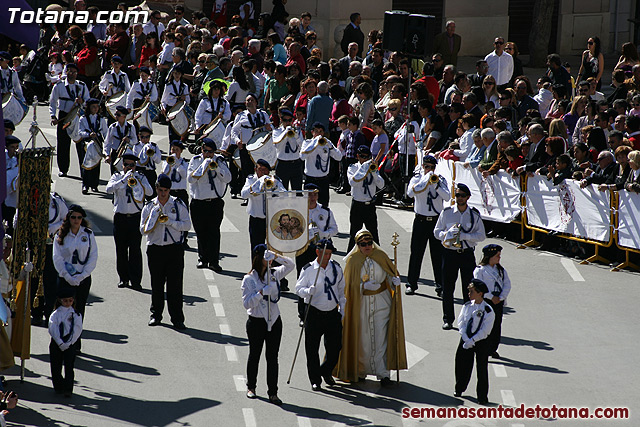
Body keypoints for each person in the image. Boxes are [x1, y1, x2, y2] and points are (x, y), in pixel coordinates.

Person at [334, 229, 407, 386]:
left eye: (369, 243)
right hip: (361, 304)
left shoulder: (381, 256)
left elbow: (390, 273)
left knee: (381, 338)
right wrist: (362, 286)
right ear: (358, 245)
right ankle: (360, 371)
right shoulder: (352, 261)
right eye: (363, 244)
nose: (367, 247)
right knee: (363, 340)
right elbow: (347, 286)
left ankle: (383, 374)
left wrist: (395, 281)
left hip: (382, 302)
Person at [242, 244, 295, 405]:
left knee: (272, 358)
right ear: (258, 258)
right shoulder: (249, 279)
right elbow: (246, 304)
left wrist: (276, 256)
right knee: (255, 356)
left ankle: (273, 392)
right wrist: (260, 293)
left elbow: (291, 265)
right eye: (265, 257)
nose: (267, 260)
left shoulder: (273, 274)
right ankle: (251, 387)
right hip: (256, 322)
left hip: (274, 321)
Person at [140, 174, 192, 329]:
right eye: (160, 190)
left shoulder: (177, 204)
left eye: (166, 190)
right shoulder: (149, 206)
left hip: (173, 249)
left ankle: (177, 318)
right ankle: (156, 315)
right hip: (155, 249)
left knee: (175, 286)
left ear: (170, 190)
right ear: (156, 188)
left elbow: (187, 225)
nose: (163, 193)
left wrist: (170, 222)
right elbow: (142, 230)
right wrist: (153, 220)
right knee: (156, 285)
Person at [295, 239, 346, 390]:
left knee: (335, 347)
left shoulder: (336, 268)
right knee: (312, 349)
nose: (328, 257)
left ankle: (325, 370)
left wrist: (342, 308)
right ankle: (315, 379)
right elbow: (298, 288)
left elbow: (341, 289)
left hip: (331, 312)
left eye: (330, 254)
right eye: (325, 253)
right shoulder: (309, 269)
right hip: (314, 312)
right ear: (318, 252)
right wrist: (307, 291)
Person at [434, 183, 486, 330]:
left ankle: (467, 319)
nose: (459, 198)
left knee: (468, 289)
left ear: (468, 197)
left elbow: (481, 235)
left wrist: (464, 236)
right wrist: (446, 235)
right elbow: (436, 232)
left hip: (466, 254)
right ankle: (448, 319)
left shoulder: (474, 215)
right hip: (449, 253)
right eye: (457, 195)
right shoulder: (447, 212)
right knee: (448, 288)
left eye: (462, 195)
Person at [52, 204, 98, 352]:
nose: (76, 220)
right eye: (73, 217)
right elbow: (57, 258)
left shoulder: (88, 234)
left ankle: (75, 342)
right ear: (68, 218)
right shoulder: (61, 234)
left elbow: (93, 256)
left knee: (78, 310)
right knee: (62, 309)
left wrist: (82, 275)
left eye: (79, 217)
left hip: (82, 278)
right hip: (66, 278)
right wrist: (67, 276)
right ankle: (60, 340)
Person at [106, 153, 152, 290]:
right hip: (120, 218)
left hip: (135, 218)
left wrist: (138, 182)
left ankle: (136, 280)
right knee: (121, 250)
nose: (128, 167)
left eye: (131, 165)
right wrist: (122, 181)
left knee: (135, 250)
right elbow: (108, 189)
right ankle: (123, 279)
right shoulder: (117, 176)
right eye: (126, 165)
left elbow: (149, 193)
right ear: (123, 165)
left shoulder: (141, 177)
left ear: (135, 166)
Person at [405, 155, 450, 296]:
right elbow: (410, 193)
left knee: (438, 255)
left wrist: (435, 185)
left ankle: (441, 287)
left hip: (436, 221)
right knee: (416, 254)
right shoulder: (417, 178)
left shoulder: (440, 180)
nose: (428, 169)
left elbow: (447, 197)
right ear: (423, 166)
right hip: (421, 221)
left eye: (431, 167)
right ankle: (411, 284)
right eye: (426, 167)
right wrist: (425, 180)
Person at [188, 138, 231, 272]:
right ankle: (202, 258)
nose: (208, 154)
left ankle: (214, 261)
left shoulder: (220, 161)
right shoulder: (195, 161)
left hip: (214, 203)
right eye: (206, 151)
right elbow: (190, 179)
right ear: (202, 150)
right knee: (201, 232)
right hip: (198, 203)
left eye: (211, 152)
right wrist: (203, 166)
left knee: (213, 232)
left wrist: (216, 168)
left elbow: (228, 178)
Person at [454, 279, 495, 405]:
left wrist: (473, 340)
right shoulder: (467, 306)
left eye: (472, 291)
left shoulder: (488, 310)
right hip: (466, 337)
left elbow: (485, 331)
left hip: (481, 341)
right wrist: (466, 338)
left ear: (480, 293)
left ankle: (482, 396)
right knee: (461, 363)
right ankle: (459, 388)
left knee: (481, 368)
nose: (469, 293)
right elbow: (461, 322)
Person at [49, 63, 90, 177]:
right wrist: (53, 116)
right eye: (69, 71)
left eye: (74, 72)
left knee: (80, 144)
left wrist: (83, 102)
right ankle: (63, 169)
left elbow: (88, 101)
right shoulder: (59, 86)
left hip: (78, 116)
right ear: (66, 72)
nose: (72, 74)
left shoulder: (81, 86)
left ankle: (84, 170)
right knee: (63, 143)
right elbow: (52, 102)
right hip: (64, 116)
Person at [240, 159, 286, 254]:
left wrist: (276, 186)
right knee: (256, 248)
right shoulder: (251, 179)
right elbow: (243, 194)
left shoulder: (275, 180)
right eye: (260, 169)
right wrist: (256, 185)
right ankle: (256, 268)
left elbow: (285, 195)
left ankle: (272, 269)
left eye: (265, 170)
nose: (262, 172)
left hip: (272, 220)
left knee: (274, 248)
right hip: (256, 220)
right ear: (255, 169)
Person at [473, 244, 511, 358]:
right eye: (497, 255)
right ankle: (482, 348)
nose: (499, 258)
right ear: (490, 256)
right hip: (486, 301)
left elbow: (507, 284)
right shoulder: (480, 270)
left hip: (498, 301)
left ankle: (493, 348)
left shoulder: (501, 270)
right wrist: (490, 297)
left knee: (496, 326)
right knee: (484, 326)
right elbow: (478, 286)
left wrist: (501, 297)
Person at [347, 146, 385, 252]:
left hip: (369, 205)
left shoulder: (372, 168)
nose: (365, 159)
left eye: (367, 157)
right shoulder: (353, 167)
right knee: (354, 234)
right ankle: (351, 259)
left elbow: (381, 185)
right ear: (358, 156)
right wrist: (363, 168)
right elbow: (353, 182)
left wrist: (374, 173)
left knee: (374, 234)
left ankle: (378, 257)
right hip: (357, 205)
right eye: (363, 157)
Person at [48, 288, 83, 397]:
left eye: (70, 301)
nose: (68, 303)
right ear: (60, 301)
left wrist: (69, 343)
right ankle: (58, 386)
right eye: (65, 301)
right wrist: (60, 342)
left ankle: (68, 389)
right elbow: (53, 328)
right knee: (55, 365)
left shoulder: (76, 314)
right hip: (57, 342)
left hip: (70, 343)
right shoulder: (55, 314)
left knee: (69, 367)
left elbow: (77, 329)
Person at [300, 122, 342, 206]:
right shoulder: (307, 143)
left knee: (324, 205)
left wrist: (330, 146)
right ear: (312, 132)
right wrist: (314, 143)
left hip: (323, 180)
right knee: (308, 205)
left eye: (321, 131)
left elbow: (339, 157)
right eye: (316, 131)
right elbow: (302, 156)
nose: (319, 133)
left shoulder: (326, 143)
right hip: (310, 179)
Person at [77, 98, 108, 193]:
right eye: (93, 107)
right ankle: (85, 185)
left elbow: (105, 132)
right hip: (87, 143)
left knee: (96, 164)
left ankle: (94, 185)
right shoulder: (83, 118)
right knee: (86, 164)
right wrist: (88, 135)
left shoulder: (101, 119)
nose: (95, 109)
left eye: (97, 107)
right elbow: (80, 132)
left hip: (97, 143)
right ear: (89, 108)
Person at [273, 108, 304, 190]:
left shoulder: (297, 131)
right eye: (285, 120)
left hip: (295, 164)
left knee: (297, 192)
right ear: (281, 120)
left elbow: (302, 147)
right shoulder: (277, 131)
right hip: (282, 165)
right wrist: (285, 133)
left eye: (290, 120)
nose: (287, 123)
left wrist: (297, 137)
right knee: (282, 192)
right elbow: (277, 145)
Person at [103, 106, 138, 174]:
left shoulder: (130, 127)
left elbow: (135, 141)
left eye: (118, 115)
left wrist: (129, 140)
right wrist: (107, 155)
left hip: (126, 153)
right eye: (115, 114)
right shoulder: (112, 127)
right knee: (115, 174)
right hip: (116, 152)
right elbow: (107, 142)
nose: (116, 116)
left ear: (124, 116)